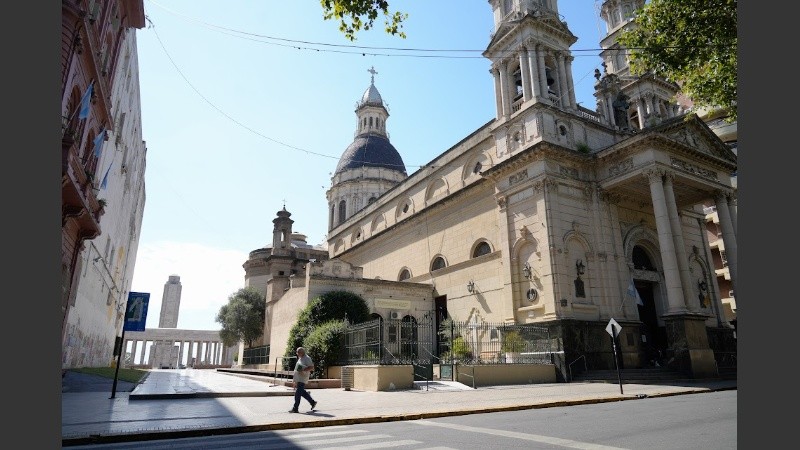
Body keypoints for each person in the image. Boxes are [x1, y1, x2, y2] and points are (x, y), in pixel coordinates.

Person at [289, 346, 317, 413]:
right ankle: (312, 402)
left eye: (298, 353)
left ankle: (295, 408)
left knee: (297, 394)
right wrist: (294, 380)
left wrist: (303, 369)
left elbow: (312, 368)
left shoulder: (307, 358)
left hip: (302, 378)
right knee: (302, 392)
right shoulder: (300, 358)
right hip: (299, 378)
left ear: (301, 352)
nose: (297, 354)